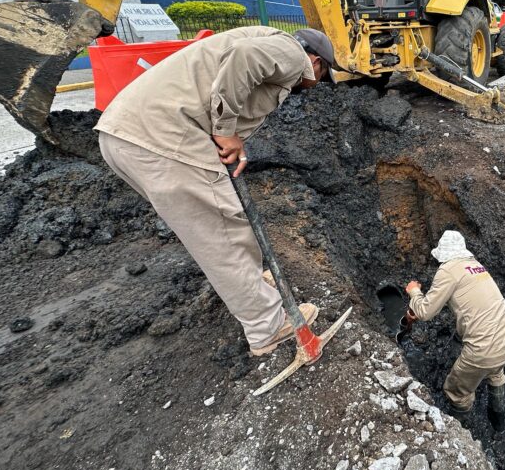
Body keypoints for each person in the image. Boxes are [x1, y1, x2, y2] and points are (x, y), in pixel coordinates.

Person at [95, 26, 337, 356]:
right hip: (163, 138)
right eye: (321, 77)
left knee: (220, 223)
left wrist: (228, 139)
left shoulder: (259, 39)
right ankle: (267, 326)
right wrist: (225, 130)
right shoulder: (293, 53)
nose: (312, 87)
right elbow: (244, 60)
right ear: (316, 61)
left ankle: (252, 290)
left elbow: (230, 83)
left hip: (128, 134)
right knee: (222, 231)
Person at [405, 231, 505, 429]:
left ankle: (458, 435)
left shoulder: (448, 270)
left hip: (484, 350)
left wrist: (414, 291)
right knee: (495, 372)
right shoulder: (476, 266)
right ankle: (498, 424)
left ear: (443, 253)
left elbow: (424, 312)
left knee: (455, 391)